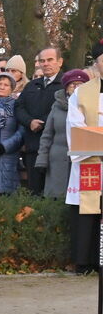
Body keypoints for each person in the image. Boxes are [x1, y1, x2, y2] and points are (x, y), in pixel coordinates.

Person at [65, 40, 103, 274]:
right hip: (90, 161)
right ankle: (85, 261)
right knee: (88, 212)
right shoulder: (81, 93)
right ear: (97, 64)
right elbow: (75, 127)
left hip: (94, 149)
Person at [15, 47, 65, 196]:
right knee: (34, 191)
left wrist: (42, 122)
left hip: (55, 148)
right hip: (32, 146)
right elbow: (19, 107)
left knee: (55, 192)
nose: (45, 64)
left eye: (50, 60)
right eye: (42, 61)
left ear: (60, 62)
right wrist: (29, 122)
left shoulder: (64, 85)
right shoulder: (32, 85)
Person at [37, 69, 87, 200]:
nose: (77, 88)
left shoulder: (93, 107)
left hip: (84, 160)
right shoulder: (57, 106)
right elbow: (47, 135)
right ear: (66, 88)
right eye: (73, 84)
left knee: (80, 199)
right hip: (58, 160)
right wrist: (42, 159)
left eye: (81, 84)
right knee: (56, 198)